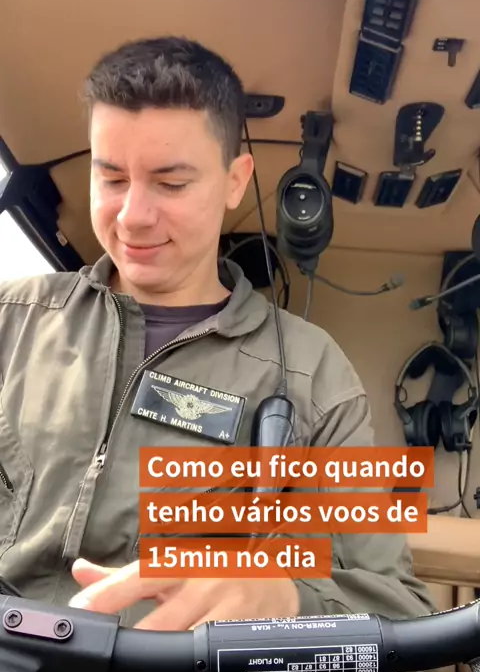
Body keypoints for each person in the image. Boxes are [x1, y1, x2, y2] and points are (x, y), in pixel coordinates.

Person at [0, 36, 436, 631]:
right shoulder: (13, 320)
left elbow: (402, 609)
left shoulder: (315, 375)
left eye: (171, 183)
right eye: (112, 179)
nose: (133, 216)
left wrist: (282, 598)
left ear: (235, 181)